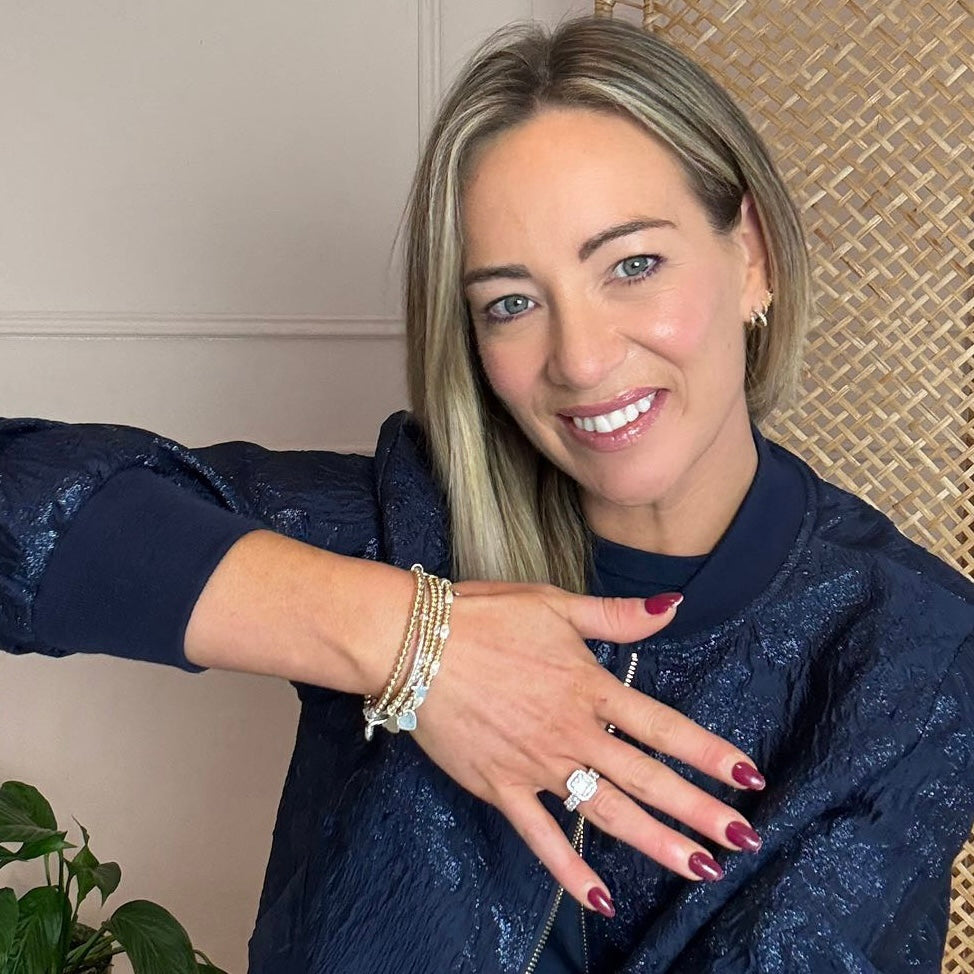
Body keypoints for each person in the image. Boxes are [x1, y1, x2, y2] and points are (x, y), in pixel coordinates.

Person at [1, 15, 972, 974]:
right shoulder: (406, 522)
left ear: (750, 254)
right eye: (510, 301)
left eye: (631, 264)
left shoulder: (912, 649)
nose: (582, 358)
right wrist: (412, 641)